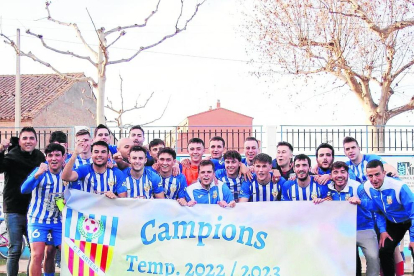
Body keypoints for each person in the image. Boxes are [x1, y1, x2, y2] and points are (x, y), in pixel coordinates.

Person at [314, 161, 380, 276]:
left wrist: (360, 202)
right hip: (342, 231)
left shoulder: (358, 187)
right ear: (331, 175)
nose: (339, 175)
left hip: (364, 228)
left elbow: (374, 205)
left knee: (373, 257)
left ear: (348, 174)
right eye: (335, 172)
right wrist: (320, 202)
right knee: (341, 261)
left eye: (342, 172)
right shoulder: (327, 189)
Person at [350, 160, 414, 276]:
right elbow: (378, 210)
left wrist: (413, 239)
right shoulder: (367, 187)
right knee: (384, 250)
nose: (374, 179)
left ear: (384, 173)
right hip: (393, 223)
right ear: (366, 175)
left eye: (377, 174)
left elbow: (413, 213)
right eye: (370, 175)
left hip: (410, 220)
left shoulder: (399, 187)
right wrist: (383, 230)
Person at [0, 127, 46, 276]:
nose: (28, 141)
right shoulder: (12, 156)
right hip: (13, 208)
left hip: (34, 210)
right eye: (25, 138)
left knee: (34, 251)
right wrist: (1, 150)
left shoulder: (39, 157)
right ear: (19, 141)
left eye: (31, 138)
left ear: (36, 141)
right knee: (15, 249)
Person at [21, 143, 67, 276]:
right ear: (46, 158)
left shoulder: (67, 173)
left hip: (58, 221)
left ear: (63, 157)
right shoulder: (39, 171)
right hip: (38, 220)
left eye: (57, 155)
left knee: (54, 253)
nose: (54, 158)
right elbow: (24, 190)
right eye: (50, 155)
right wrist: (37, 175)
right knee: (37, 254)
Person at [62, 141, 127, 198]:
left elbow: (123, 201)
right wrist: (75, 154)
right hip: (87, 211)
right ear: (91, 155)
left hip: (108, 211)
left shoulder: (117, 173)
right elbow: (65, 177)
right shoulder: (84, 169)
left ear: (108, 155)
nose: (99, 155)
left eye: (103, 152)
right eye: (96, 152)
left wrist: (115, 197)